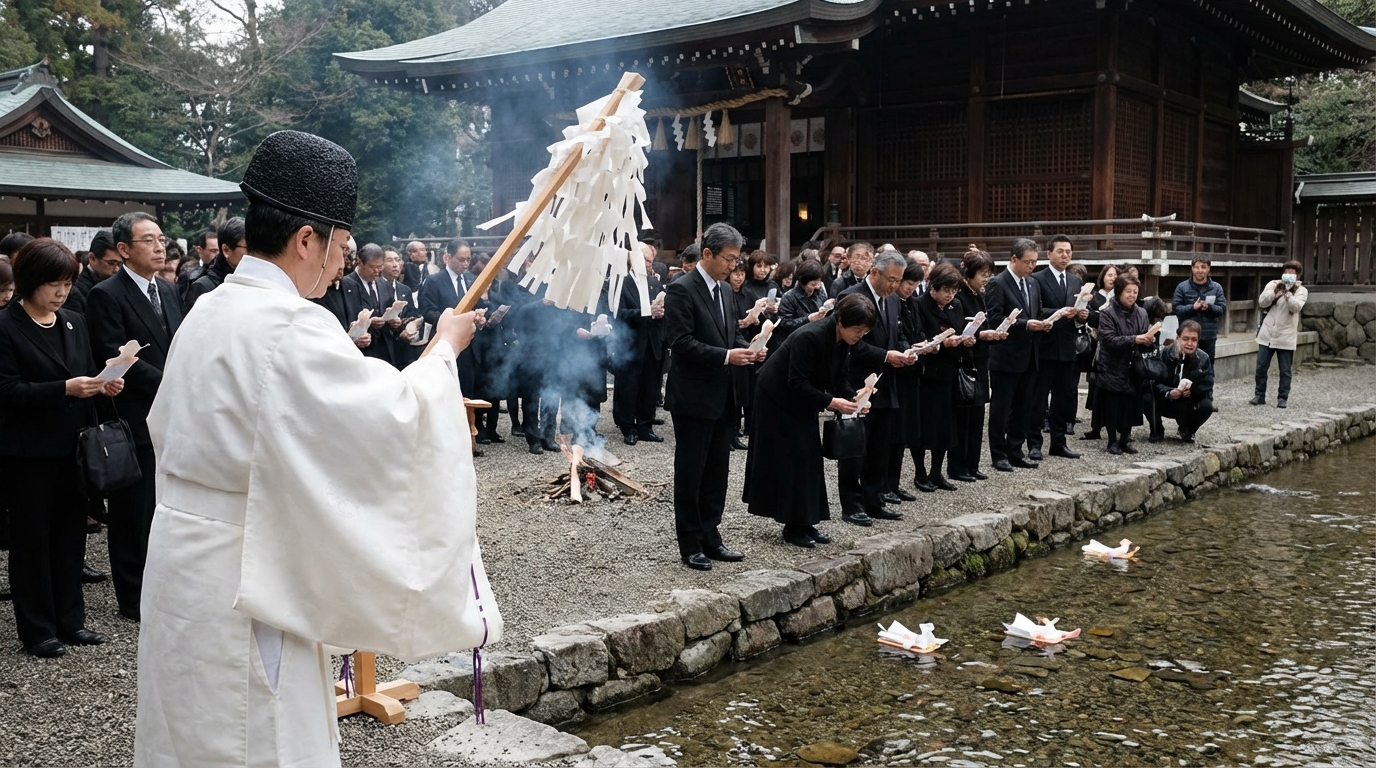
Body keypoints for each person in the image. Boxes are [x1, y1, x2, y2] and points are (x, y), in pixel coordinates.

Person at [134, 130, 500, 766]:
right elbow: (393, 418)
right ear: (307, 239)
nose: (341, 264)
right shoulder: (289, 324)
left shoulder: (210, 309)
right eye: (341, 246)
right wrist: (445, 350)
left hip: (182, 560)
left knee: (185, 732)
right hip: (250, 569)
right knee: (259, 737)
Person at [0, 238, 122, 657]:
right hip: (28, 453)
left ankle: (71, 621)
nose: (61, 292)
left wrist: (104, 385)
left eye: (68, 284)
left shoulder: (73, 321)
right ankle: (37, 629)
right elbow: (7, 391)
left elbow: (84, 373)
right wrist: (64, 389)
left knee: (70, 537)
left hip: (74, 447)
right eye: (53, 284)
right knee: (32, 540)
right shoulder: (6, 325)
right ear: (29, 280)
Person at [86, 211, 184, 623]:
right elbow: (114, 352)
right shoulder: (106, 294)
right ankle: (132, 594)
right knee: (132, 510)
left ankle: (163, 585)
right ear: (124, 249)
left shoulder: (168, 289)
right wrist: (171, 382)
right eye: (149, 240)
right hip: (134, 413)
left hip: (171, 413)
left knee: (165, 506)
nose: (159, 247)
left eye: (161, 239)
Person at [663, 223, 763, 571]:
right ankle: (690, 542)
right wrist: (726, 356)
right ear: (707, 253)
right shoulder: (681, 289)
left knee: (718, 470)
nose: (734, 266)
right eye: (729, 259)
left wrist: (748, 349)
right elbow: (680, 342)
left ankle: (711, 534)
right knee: (691, 471)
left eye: (737, 260)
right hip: (693, 394)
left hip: (724, 393)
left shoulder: (725, 291)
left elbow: (729, 334)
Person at [745, 294, 877, 548]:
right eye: (857, 329)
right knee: (791, 459)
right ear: (840, 321)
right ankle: (792, 525)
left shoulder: (843, 341)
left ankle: (805, 521)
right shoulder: (810, 336)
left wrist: (855, 398)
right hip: (777, 398)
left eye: (865, 331)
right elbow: (796, 382)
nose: (860, 335)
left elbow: (840, 378)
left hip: (803, 398)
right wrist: (831, 402)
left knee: (809, 458)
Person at [837, 249, 916, 525]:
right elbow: (851, 343)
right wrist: (885, 355)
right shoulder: (851, 295)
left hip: (887, 381)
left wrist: (906, 350)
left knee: (880, 447)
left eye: (898, 280)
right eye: (891, 279)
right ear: (874, 272)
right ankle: (851, 505)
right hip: (857, 382)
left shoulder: (892, 300)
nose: (895, 285)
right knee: (854, 447)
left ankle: (874, 500)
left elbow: (898, 333)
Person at [986, 239, 1052, 472]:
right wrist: (1025, 324)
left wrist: (1043, 323)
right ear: (1014, 259)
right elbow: (994, 318)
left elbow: (1036, 311)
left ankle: (1016, 450)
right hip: (1006, 356)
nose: (1031, 266)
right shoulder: (997, 283)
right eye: (1027, 262)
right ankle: (998, 454)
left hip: (1030, 355)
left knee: (1024, 407)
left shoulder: (1033, 283)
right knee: (1001, 409)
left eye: (1035, 262)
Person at [1028, 235, 1087, 460]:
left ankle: (1059, 442)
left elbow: (1080, 310)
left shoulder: (1075, 281)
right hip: (1045, 345)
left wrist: (1082, 314)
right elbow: (1035, 310)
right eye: (1060, 251)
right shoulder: (1037, 279)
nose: (1065, 256)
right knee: (1039, 398)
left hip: (1068, 346)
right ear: (1049, 254)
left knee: (1063, 398)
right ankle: (1034, 443)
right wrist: (1060, 313)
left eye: (1068, 252)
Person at [950, 250, 1006, 482]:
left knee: (978, 414)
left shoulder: (979, 295)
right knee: (963, 416)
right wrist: (982, 334)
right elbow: (958, 329)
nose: (986, 279)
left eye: (988, 274)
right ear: (969, 273)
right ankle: (957, 466)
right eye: (982, 274)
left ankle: (972, 464)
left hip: (981, 359)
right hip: (965, 360)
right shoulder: (959, 296)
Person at [1096, 273, 1157, 454]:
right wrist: (1134, 339)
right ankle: (1112, 441)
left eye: (1135, 292)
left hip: (1133, 365)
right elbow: (1108, 339)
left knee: (1131, 404)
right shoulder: (1107, 313)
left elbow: (1144, 336)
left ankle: (1125, 439)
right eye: (1128, 291)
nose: (1132, 295)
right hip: (1112, 365)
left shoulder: (1142, 312)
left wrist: (1149, 340)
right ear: (1119, 292)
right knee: (1113, 405)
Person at [614, 243, 666, 445]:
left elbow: (660, 311)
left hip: (652, 342)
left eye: (650, 260)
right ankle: (627, 427)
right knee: (628, 387)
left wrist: (660, 312)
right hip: (630, 343)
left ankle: (645, 425)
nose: (648, 263)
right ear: (632, 260)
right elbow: (619, 314)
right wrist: (646, 312)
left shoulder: (654, 283)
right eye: (644, 259)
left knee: (650, 386)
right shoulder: (621, 283)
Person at [419, 239, 485, 398]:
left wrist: (480, 316)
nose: (466, 264)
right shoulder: (434, 281)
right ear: (447, 257)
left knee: (468, 394)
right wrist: (454, 321)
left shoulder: (471, 280)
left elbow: (478, 305)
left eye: (468, 260)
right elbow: (428, 311)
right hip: (445, 345)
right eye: (461, 259)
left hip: (469, 347)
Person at [887, 259, 927, 499]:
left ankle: (894, 483)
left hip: (913, 370)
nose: (910, 288)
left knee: (904, 432)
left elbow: (918, 330)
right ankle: (886, 484)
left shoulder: (913, 303)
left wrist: (924, 344)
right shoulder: (892, 302)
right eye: (908, 282)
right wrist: (908, 348)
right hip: (897, 371)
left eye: (915, 283)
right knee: (893, 432)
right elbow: (897, 334)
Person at [1252, 260, 1308, 409]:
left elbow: (1296, 307)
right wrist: (1275, 291)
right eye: (1287, 272)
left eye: (1292, 273)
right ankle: (1259, 395)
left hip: (1286, 335)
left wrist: (1288, 293)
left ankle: (1282, 397)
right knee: (1261, 367)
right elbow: (1262, 302)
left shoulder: (1301, 290)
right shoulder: (1273, 284)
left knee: (1285, 370)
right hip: (1267, 333)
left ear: (1298, 275)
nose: (1289, 275)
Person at [1153, 320, 1214, 441]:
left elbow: (1208, 383)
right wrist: (1169, 392)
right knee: (1146, 397)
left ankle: (1188, 430)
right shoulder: (1165, 353)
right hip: (1167, 399)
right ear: (1177, 338)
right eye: (1185, 339)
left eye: (1194, 340)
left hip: (1189, 400)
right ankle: (1156, 430)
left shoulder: (1203, 357)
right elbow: (1153, 382)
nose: (1189, 343)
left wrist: (1192, 390)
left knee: (1207, 406)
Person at [1080, 264, 1118, 440]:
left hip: (1116, 343)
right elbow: (1091, 318)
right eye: (1109, 275)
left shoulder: (1120, 296)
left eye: (1115, 275)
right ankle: (1096, 427)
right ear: (1102, 277)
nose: (1112, 278)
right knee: (1096, 385)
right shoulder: (1094, 297)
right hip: (1098, 344)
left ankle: (1118, 426)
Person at [340, 244, 393, 365]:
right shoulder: (345, 285)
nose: (377, 271)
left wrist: (393, 320)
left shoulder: (384, 284)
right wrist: (366, 324)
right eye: (372, 267)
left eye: (380, 267)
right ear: (359, 262)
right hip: (361, 353)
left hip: (386, 351)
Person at [185, 217, 247, 311]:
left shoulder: (253, 282)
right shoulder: (203, 288)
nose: (253, 254)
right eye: (248, 248)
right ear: (226, 250)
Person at [1172, 255, 1225, 361]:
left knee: (1207, 364)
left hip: (1208, 336)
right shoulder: (1182, 287)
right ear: (1192, 268)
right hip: (1187, 336)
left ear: (1208, 268)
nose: (1200, 270)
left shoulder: (1216, 288)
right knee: (1185, 364)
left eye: (1203, 267)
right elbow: (1176, 309)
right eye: (1196, 267)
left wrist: (1209, 307)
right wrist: (1192, 307)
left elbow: (1222, 308)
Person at [380, 247, 422, 369]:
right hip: (382, 349)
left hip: (403, 349)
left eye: (398, 260)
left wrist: (409, 326)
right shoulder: (375, 288)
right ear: (380, 264)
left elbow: (412, 314)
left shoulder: (405, 289)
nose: (395, 265)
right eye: (389, 260)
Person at [65, 230, 122, 316]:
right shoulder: (76, 291)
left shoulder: (119, 285)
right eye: (111, 263)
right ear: (92, 258)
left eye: (120, 264)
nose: (116, 269)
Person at [776, 258, 828, 347]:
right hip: (796, 343)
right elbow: (784, 325)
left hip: (817, 340)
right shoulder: (789, 297)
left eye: (818, 282)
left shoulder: (819, 292)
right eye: (812, 284)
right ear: (803, 282)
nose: (816, 287)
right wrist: (808, 319)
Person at [175, 229, 217, 306]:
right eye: (213, 251)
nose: (218, 255)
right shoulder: (188, 275)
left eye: (220, 251)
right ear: (199, 250)